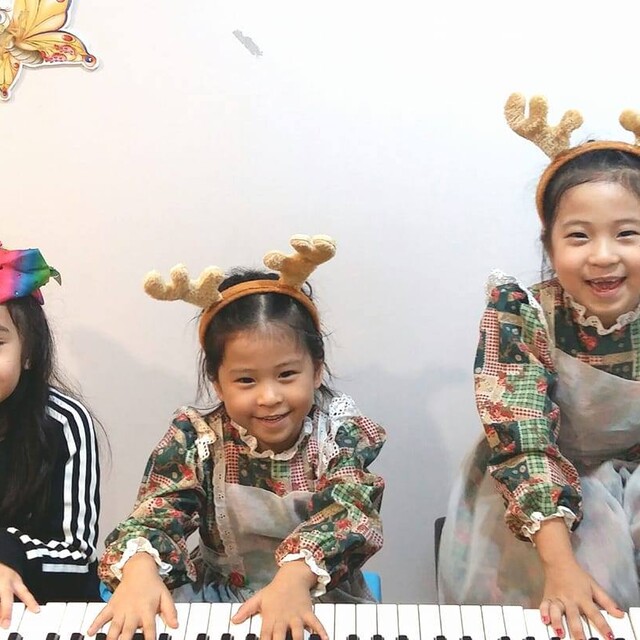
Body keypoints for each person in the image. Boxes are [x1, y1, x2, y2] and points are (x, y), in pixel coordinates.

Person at [91, 235, 386, 640]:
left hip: (316, 595)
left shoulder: (339, 434)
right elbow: (160, 508)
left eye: (287, 375)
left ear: (316, 370)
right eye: (246, 380)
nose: (269, 397)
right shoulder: (197, 438)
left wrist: (295, 577)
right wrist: (141, 566)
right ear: (217, 382)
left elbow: (350, 511)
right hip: (220, 602)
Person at [438, 94, 640, 640]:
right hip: (542, 497)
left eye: (628, 233)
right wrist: (561, 564)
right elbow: (523, 440)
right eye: (579, 235)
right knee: (575, 609)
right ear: (549, 245)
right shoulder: (521, 314)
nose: (603, 255)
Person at [0, 242, 102, 627]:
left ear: (29, 351)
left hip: (44, 610)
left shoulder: (62, 422)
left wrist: (8, 555)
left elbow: (76, 556)